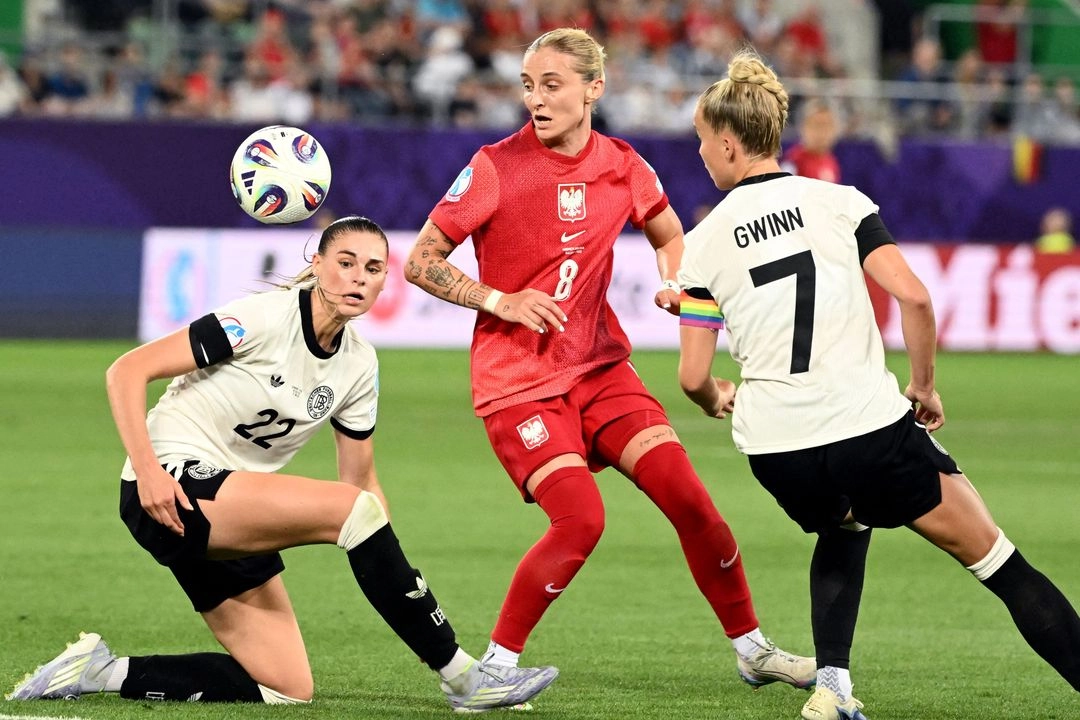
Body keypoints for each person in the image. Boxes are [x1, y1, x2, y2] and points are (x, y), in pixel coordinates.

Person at [403, 27, 815, 697]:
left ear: (594, 89)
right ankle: (489, 674)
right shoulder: (493, 166)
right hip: (519, 383)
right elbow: (421, 260)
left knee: (691, 500)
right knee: (581, 520)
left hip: (600, 370)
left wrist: (676, 282)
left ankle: (752, 648)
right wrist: (499, 299)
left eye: (553, 85)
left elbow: (668, 231)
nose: (537, 99)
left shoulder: (623, 163)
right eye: (529, 86)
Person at [6, 216, 557, 712]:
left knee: (286, 687)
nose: (357, 279)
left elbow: (360, 482)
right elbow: (126, 371)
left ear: (384, 282)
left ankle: (100, 671)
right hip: (171, 485)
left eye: (371, 269)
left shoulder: (359, 365)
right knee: (351, 512)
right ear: (316, 265)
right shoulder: (261, 319)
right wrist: (148, 471)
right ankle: (464, 678)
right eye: (344, 264)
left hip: (233, 505)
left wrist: (395, 576)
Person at [676, 50, 1080, 720]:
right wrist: (923, 388)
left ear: (726, 142)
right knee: (999, 562)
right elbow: (915, 300)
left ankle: (831, 689)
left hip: (777, 450)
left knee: (843, 524)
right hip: (865, 427)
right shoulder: (839, 202)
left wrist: (717, 394)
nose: (698, 152)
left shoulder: (703, 243)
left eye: (699, 141)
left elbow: (692, 376)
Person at [780, 98, 841, 183]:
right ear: (803, 127)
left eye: (827, 125)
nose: (822, 132)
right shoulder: (794, 161)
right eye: (817, 125)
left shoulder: (831, 161)